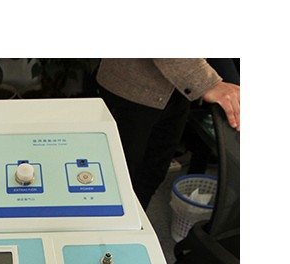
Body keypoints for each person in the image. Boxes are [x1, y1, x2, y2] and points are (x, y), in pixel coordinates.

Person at [95, 58, 240, 209]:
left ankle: (136, 220)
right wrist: (208, 83)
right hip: (132, 90)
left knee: (151, 175)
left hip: (178, 91)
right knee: (116, 179)